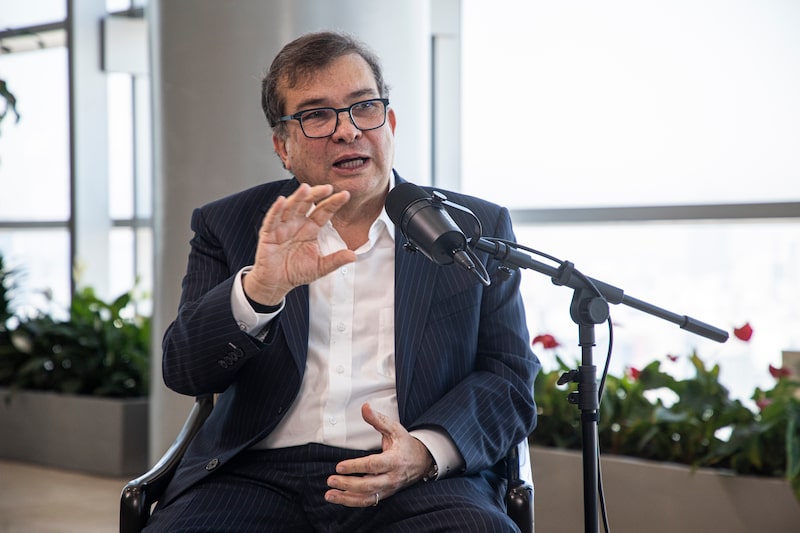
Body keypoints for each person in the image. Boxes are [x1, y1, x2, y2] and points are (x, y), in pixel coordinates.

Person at [144, 30, 540, 533]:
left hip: (418, 478)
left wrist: (424, 451)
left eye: (363, 108)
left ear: (390, 122)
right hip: (254, 475)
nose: (347, 131)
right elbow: (185, 373)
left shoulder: (471, 229)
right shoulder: (231, 224)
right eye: (315, 115)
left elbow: (507, 378)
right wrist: (260, 290)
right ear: (282, 146)